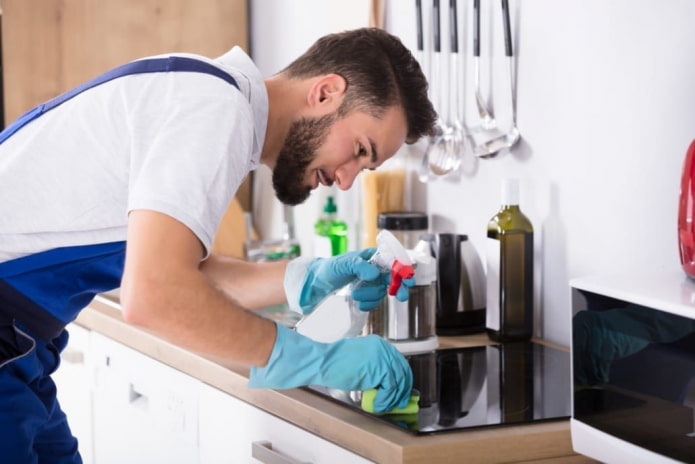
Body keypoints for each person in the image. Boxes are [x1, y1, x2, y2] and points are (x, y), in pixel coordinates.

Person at [0, 27, 436, 462]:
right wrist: (317, 359)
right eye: (360, 150)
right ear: (325, 93)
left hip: (22, 348)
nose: (345, 179)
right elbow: (155, 294)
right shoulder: (215, 109)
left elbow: (181, 272)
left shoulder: (210, 97)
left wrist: (303, 279)